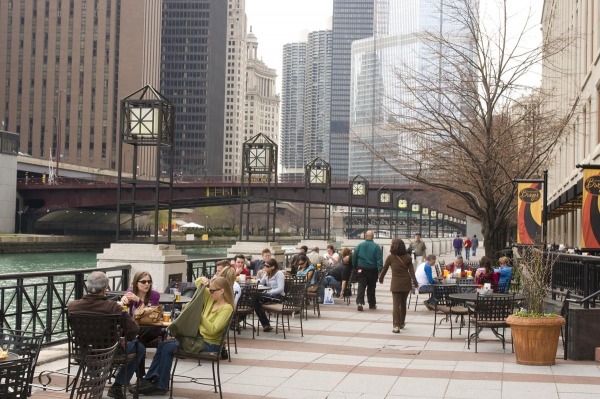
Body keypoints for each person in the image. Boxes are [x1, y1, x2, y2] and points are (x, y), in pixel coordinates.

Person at [136, 276, 234, 395]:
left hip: (210, 345)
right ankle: (150, 380)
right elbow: (198, 284)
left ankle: (160, 385)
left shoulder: (227, 308)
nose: (210, 292)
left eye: (212, 290)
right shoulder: (211, 299)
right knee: (163, 344)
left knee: (167, 347)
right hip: (198, 340)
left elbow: (213, 330)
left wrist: (198, 315)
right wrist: (204, 280)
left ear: (222, 291)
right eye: (210, 289)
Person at [68, 271, 144, 399]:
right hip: (109, 353)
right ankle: (118, 385)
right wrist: (123, 340)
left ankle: (95, 381)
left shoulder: (73, 306)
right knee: (139, 348)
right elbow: (134, 329)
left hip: (82, 352)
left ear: (88, 287)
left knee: (91, 343)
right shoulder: (113, 307)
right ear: (104, 289)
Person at [378, 238, 418, 333]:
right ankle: (402, 322)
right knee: (403, 303)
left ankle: (396, 326)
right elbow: (412, 272)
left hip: (396, 283)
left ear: (394, 246)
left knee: (396, 305)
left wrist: (381, 278)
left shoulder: (391, 257)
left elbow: (384, 269)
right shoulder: (408, 257)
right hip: (406, 283)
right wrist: (415, 282)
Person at [352, 230, 383, 311]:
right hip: (372, 270)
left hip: (361, 268)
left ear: (365, 236)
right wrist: (380, 270)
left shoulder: (359, 246)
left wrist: (355, 267)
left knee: (361, 286)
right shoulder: (376, 247)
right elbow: (379, 259)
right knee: (371, 287)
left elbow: (354, 257)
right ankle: (372, 304)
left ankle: (360, 303)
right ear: (373, 236)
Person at [255, 258, 285, 332]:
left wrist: (269, 292)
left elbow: (280, 289)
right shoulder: (267, 273)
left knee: (255, 297)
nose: (265, 267)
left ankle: (239, 318)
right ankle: (266, 324)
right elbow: (260, 283)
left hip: (278, 296)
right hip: (269, 295)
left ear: (273, 267)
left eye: (267, 266)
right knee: (254, 300)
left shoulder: (279, 273)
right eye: (264, 265)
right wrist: (258, 276)